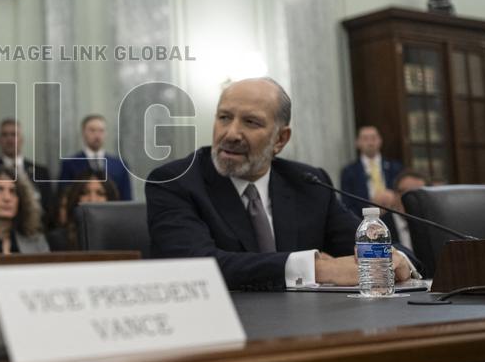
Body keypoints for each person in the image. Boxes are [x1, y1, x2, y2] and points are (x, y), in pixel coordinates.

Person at [147, 77, 415, 291]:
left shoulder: (309, 184)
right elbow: (198, 266)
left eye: (251, 122)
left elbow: (364, 241)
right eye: (224, 117)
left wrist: (397, 259)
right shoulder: (174, 182)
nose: (231, 134)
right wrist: (319, 268)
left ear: (280, 139)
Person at [0, 118, 54, 226]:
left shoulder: (41, 172)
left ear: (21, 139)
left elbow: (49, 208)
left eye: (14, 134)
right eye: (5, 135)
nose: (10, 139)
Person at [59, 114, 132, 200]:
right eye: (92, 130)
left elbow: (127, 198)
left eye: (101, 131)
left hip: (113, 212)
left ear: (106, 133)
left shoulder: (120, 165)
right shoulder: (69, 164)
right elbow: (64, 197)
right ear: (83, 133)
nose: (97, 135)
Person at [47, 170, 120, 251]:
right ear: (76, 197)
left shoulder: (121, 236)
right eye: (85, 193)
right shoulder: (59, 239)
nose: (92, 200)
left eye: (100, 193)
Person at [340, 126, 403, 216]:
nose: (370, 143)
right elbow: (347, 204)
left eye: (374, 138)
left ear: (380, 141)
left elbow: (403, 195)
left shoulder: (395, 167)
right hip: (364, 219)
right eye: (365, 139)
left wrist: (392, 197)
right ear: (357, 143)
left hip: (394, 217)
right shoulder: (349, 171)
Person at [388, 169, 428, 253]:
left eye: (416, 194)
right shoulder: (379, 227)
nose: (409, 200)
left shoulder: (431, 225)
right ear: (395, 194)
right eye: (404, 193)